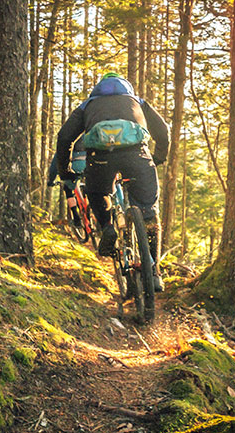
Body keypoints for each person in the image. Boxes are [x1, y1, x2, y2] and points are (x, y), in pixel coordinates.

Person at [55, 72, 170, 292]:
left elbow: (64, 137)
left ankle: (107, 227)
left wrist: (66, 172)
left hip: (100, 158)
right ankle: (154, 272)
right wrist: (159, 158)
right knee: (149, 213)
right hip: (136, 156)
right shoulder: (137, 102)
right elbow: (163, 130)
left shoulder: (88, 105)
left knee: (97, 193)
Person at [48, 137, 87, 231]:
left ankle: (76, 218)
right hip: (90, 164)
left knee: (68, 188)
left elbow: (54, 164)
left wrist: (51, 180)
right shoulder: (88, 134)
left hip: (75, 166)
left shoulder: (66, 139)